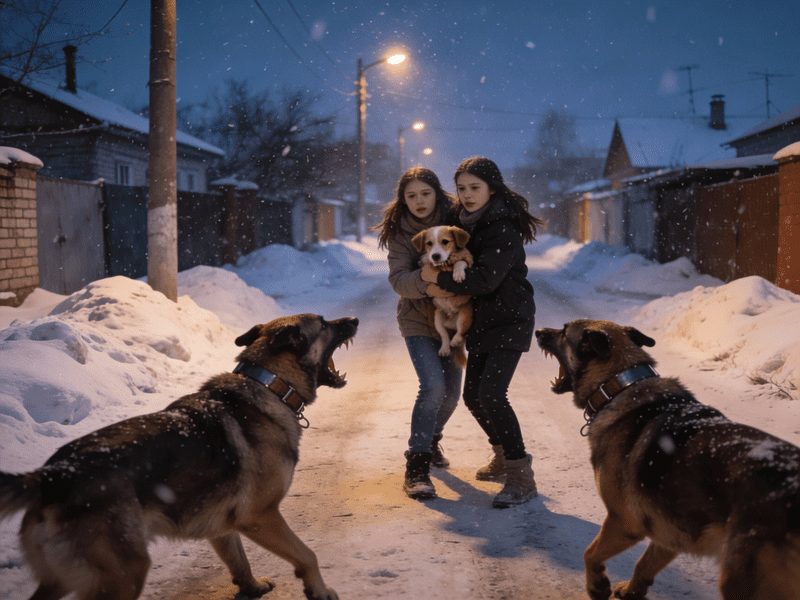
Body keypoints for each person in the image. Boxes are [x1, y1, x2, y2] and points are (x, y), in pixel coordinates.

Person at [421, 156, 543, 508]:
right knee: (474, 396)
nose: (468, 194)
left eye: (475, 187)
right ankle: (503, 456)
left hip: (510, 317)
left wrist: (437, 279)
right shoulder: (463, 223)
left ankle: (521, 476)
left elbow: (486, 279)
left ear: (492, 188)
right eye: (462, 188)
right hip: (482, 320)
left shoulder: (502, 226)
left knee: (492, 393)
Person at [373, 166, 463, 500]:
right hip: (416, 322)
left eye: (425, 193)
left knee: (451, 394)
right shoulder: (400, 233)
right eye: (411, 195)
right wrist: (429, 280)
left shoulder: (456, 222)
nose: (419, 201)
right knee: (433, 386)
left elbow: (470, 258)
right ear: (402, 199)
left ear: (437, 194)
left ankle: (432, 438)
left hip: (452, 320)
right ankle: (417, 464)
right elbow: (399, 281)